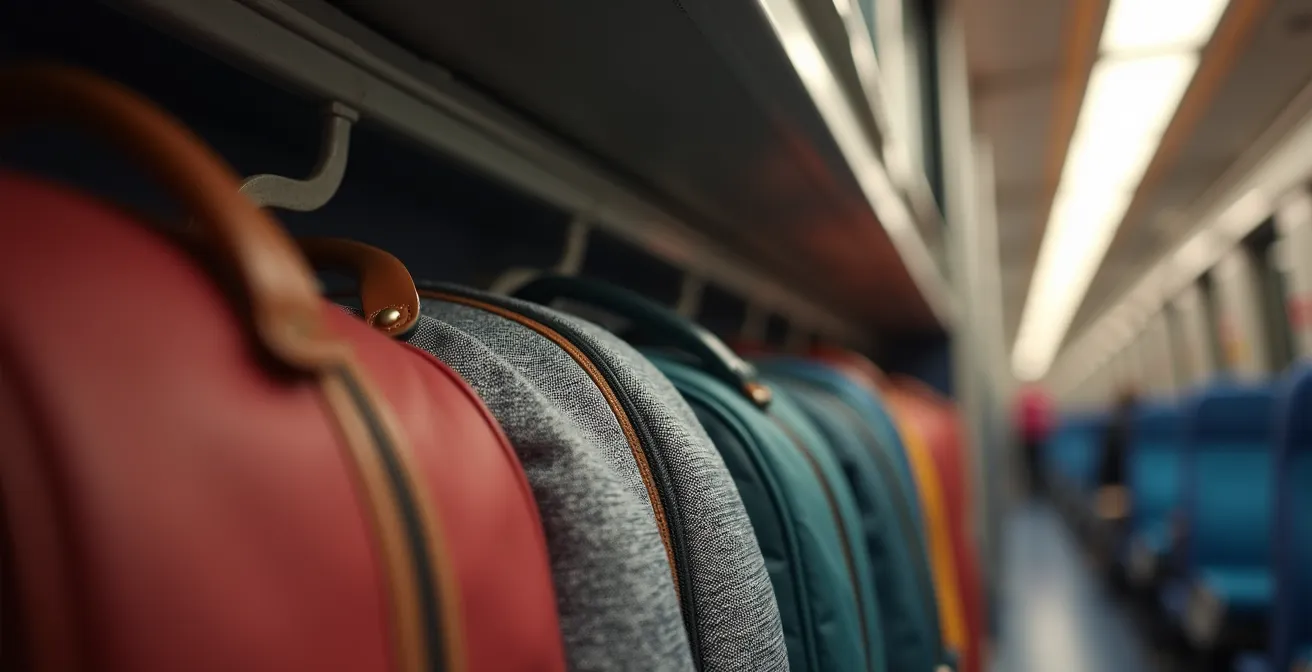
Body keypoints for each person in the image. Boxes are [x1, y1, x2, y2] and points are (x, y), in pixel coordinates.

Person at [1015, 386, 1052, 498]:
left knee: (1033, 465)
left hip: (1032, 438)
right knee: (1035, 465)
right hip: (1035, 438)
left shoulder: (1027, 401)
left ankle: (1035, 488)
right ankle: (1036, 488)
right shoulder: (1039, 401)